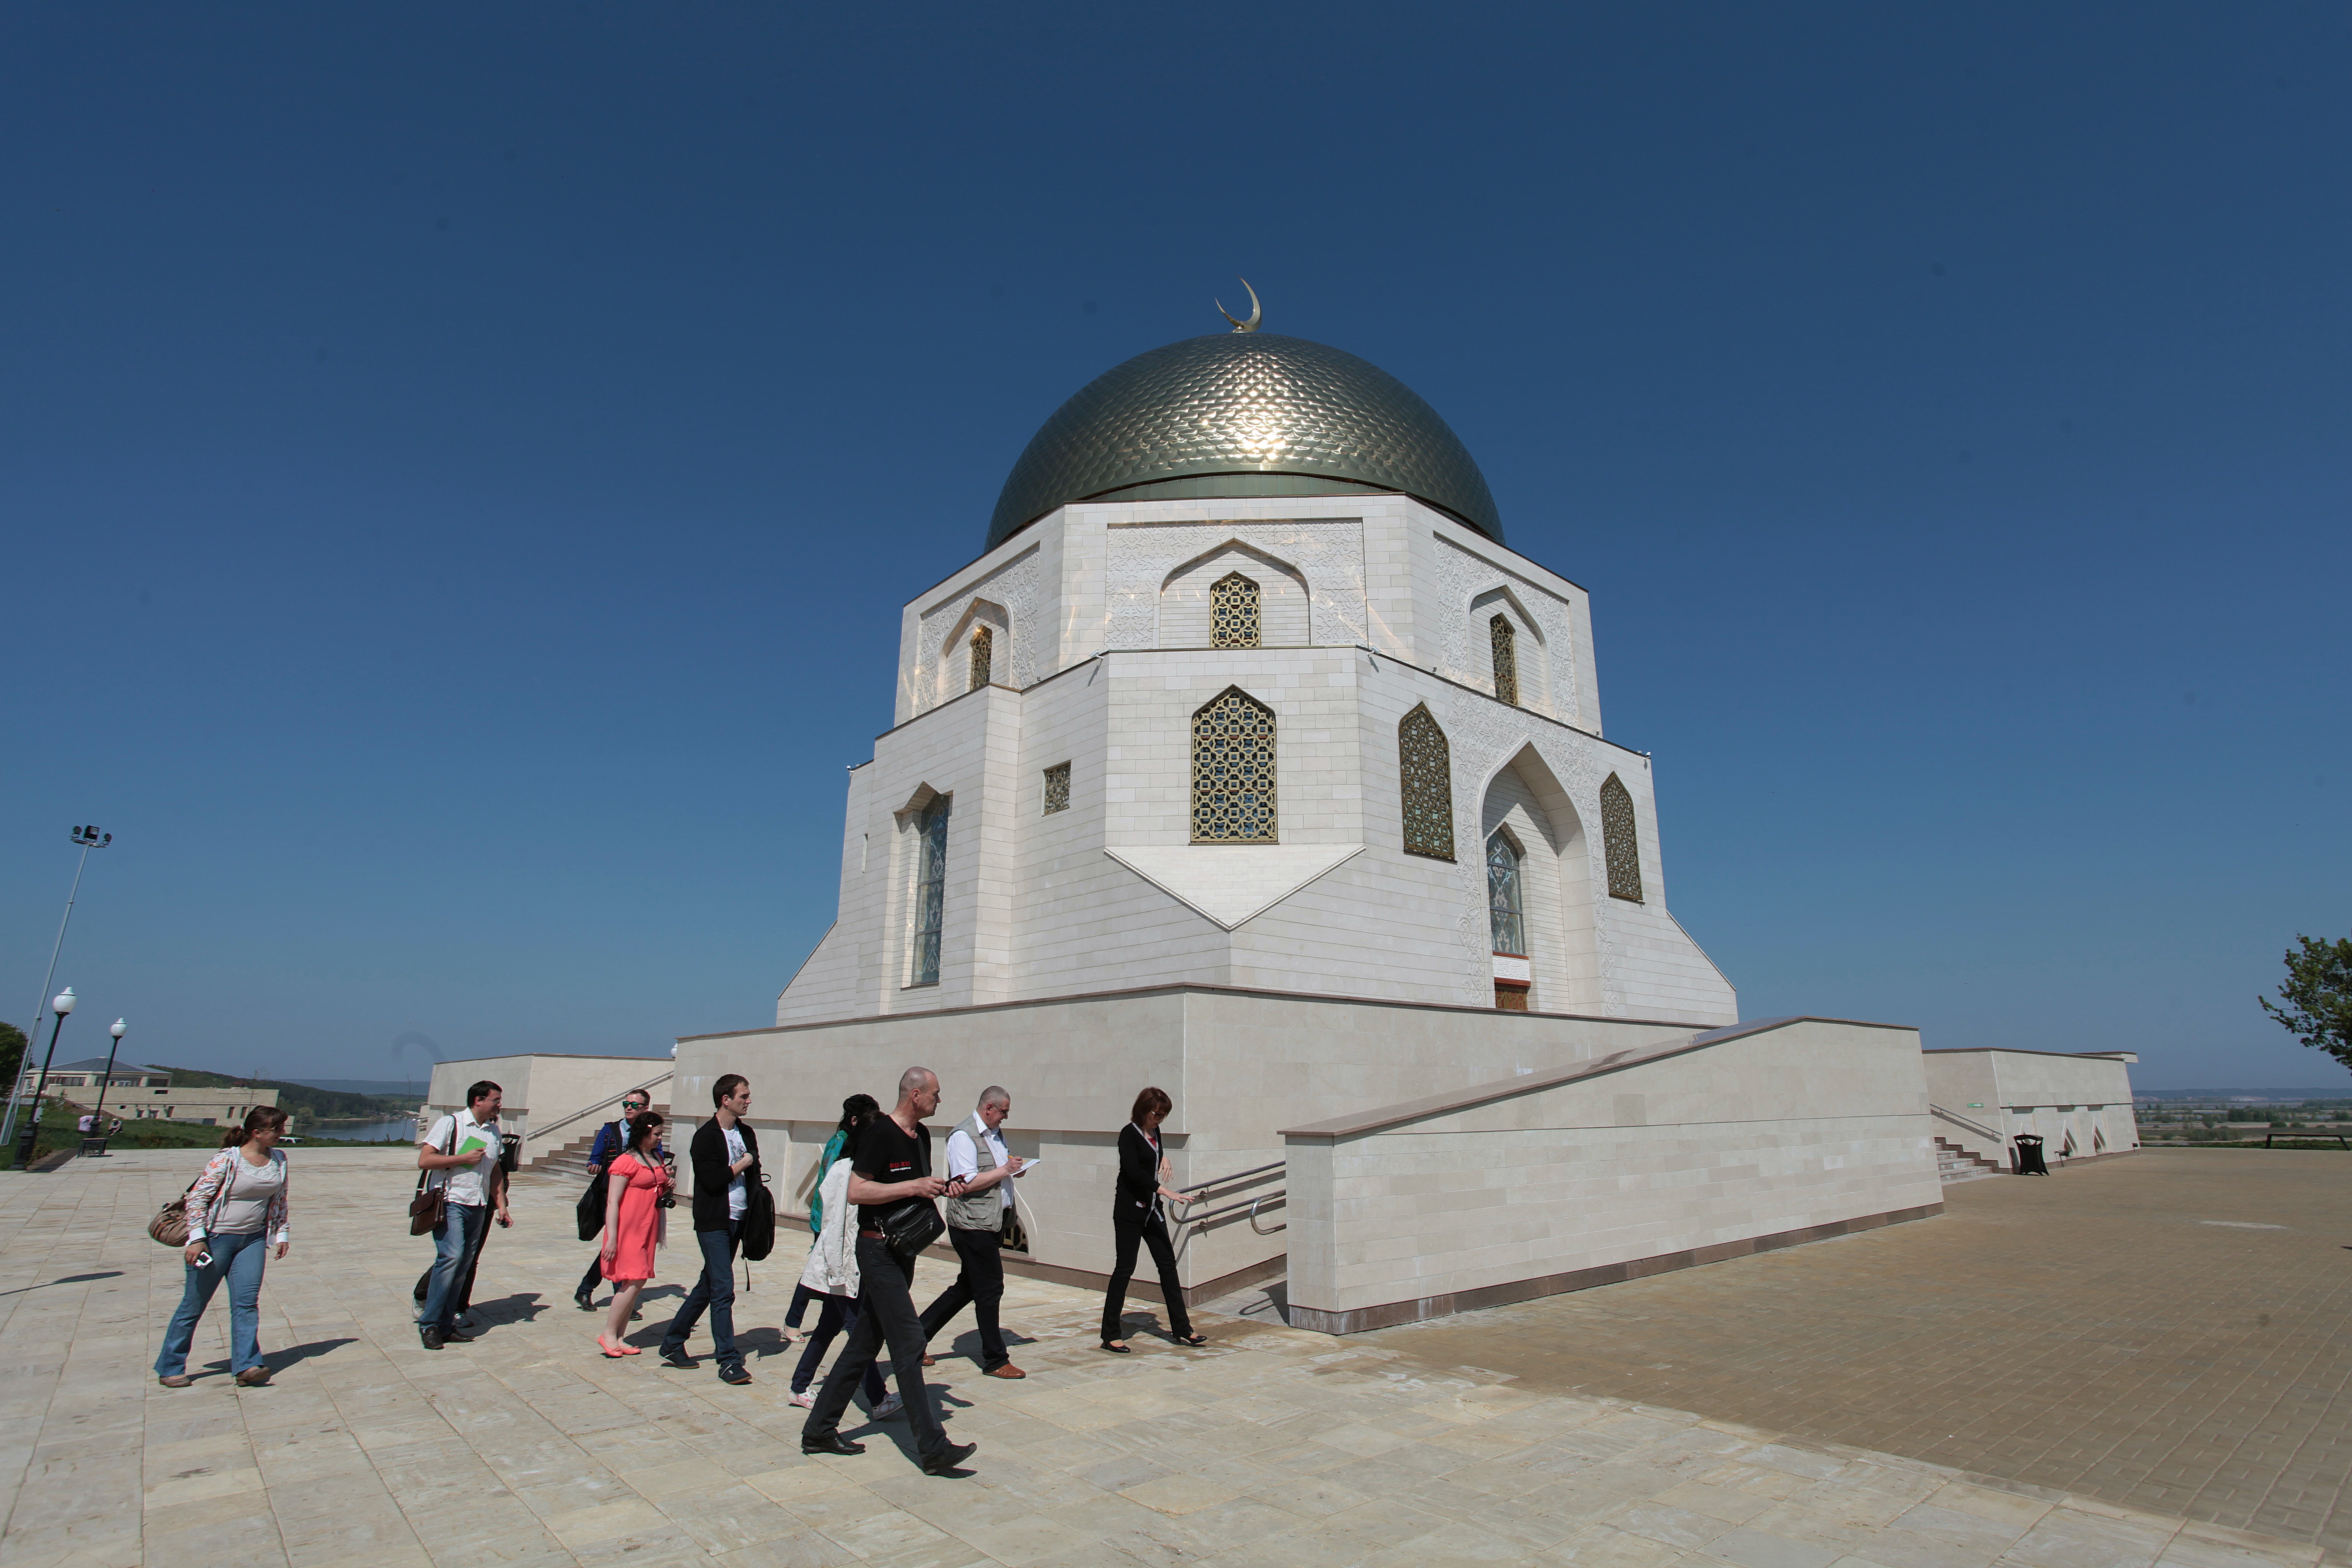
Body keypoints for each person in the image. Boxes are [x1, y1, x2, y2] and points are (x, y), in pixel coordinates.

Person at [799, 1065, 977, 1476]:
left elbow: (914, 1187)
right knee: (910, 1342)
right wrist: (914, 1187)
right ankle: (932, 1448)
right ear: (915, 1094)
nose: (939, 1100)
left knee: (863, 1344)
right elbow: (858, 1190)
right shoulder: (881, 1133)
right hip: (876, 1249)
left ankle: (819, 1430)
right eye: (935, 1093)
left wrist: (940, 1186)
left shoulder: (924, 1136)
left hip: (904, 1248)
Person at [156, 1107, 293, 1387]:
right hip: (215, 1240)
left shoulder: (279, 1159)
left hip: (252, 1240)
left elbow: (280, 1199)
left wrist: (281, 1234)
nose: (283, 1133)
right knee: (193, 1304)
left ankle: (248, 1365)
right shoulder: (226, 1160)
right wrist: (197, 1238)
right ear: (258, 1133)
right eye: (277, 1129)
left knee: (246, 1304)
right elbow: (197, 1200)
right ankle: (171, 1366)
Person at [790, 1100, 894, 1415]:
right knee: (856, 1331)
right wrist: (841, 1271)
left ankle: (799, 1385)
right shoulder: (844, 1170)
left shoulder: (863, 1170)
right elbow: (836, 1226)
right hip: (840, 1264)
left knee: (829, 1326)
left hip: (848, 1264)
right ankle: (878, 1398)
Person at [919, 1085, 1027, 1378]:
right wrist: (1006, 1170)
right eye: (1003, 1111)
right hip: (971, 1225)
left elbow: (995, 1170)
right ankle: (995, 1358)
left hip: (992, 1222)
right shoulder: (963, 1136)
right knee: (991, 1288)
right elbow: (966, 1182)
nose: (1006, 1117)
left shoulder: (994, 1134)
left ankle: (913, 1340)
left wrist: (1014, 1168)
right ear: (989, 1107)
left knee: (968, 1286)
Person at [659, 1075, 760, 1383]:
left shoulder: (746, 1132)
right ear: (725, 1099)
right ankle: (728, 1360)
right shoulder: (705, 1136)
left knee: (709, 1283)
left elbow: (755, 1173)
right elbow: (713, 1180)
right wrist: (742, 1163)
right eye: (743, 1095)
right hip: (714, 1220)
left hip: (739, 1218)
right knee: (722, 1288)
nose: (749, 1100)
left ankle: (673, 1341)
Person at [1100, 1086, 1207, 1353]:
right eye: (1157, 1115)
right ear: (1145, 1111)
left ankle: (1183, 1329)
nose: (1160, 1120)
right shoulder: (1128, 1134)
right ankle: (1110, 1333)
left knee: (1168, 1266)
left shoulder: (1155, 1132)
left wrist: (1166, 1157)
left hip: (1151, 1210)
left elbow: (1153, 1155)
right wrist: (1164, 1190)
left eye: (1164, 1116)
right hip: (1130, 1211)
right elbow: (1133, 1172)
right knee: (1125, 1268)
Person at [416, 1080, 511, 1350]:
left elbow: (495, 1171)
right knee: (451, 1257)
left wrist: (501, 1204)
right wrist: (462, 1159)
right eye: (496, 1100)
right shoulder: (451, 1124)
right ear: (479, 1100)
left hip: (478, 1205)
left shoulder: (494, 1131)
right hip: (450, 1201)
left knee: (464, 1265)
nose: (499, 1105)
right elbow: (425, 1160)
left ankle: (447, 1324)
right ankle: (430, 1323)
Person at [784, 1093, 879, 1343]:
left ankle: (834, 1322)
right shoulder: (841, 1141)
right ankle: (793, 1321)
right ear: (855, 1120)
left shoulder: (859, 1140)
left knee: (833, 1276)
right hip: (829, 1219)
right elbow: (830, 1184)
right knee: (819, 1270)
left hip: (847, 1221)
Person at [576, 1090, 662, 1312]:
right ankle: (620, 1300)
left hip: (635, 1200)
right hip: (609, 1194)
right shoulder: (611, 1130)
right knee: (615, 1246)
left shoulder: (650, 1134)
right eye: (627, 1103)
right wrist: (594, 1164)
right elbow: (596, 1157)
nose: (629, 1107)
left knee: (616, 1248)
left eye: (636, 1104)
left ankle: (589, 1290)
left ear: (645, 1109)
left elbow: (656, 1159)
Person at [598, 1111, 672, 1356]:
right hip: (628, 1229)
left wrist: (666, 1184)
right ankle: (609, 1333)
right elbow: (613, 1202)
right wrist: (612, 1237)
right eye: (657, 1134)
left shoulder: (654, 1158)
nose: (660, 1139)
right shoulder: (625, 1162)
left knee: (637, 1283)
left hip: (647, 1228)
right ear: (643, 1134)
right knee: (634, 1279)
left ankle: (620, 1336)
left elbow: (656, 1190)